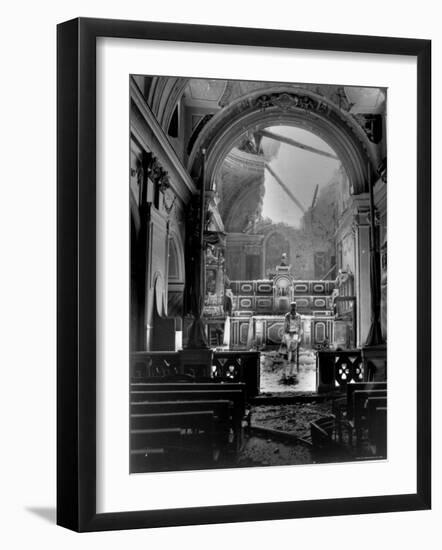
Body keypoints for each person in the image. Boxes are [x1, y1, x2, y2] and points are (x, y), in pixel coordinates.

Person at [283, 302, 302, 368]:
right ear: (290, 307)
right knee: (287, 352)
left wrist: (299, 336)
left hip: (295, 334)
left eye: (294, 306)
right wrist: (285, 335)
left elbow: (300, 326)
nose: (293, 308)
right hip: (288, 334)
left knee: (294, 352)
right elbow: (285, 326)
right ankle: (285, 370)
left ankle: (291, 371)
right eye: (292, 306)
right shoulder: (287, 315)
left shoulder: (298, 316)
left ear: (296, 307)